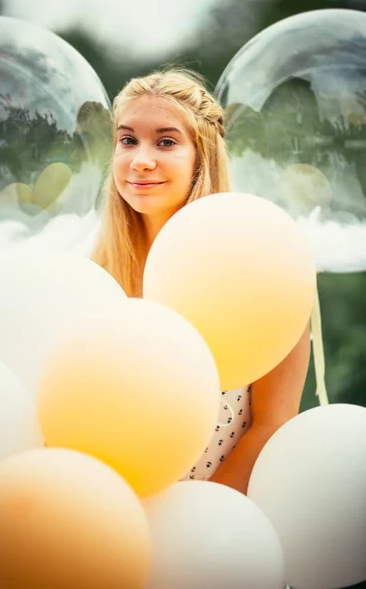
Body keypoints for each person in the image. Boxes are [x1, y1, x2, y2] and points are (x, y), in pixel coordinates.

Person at [90, 67, 311, 495]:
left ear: (201, 156)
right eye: (127, 139)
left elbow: (271, 427)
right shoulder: (91, 277)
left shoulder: (266, 272)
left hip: (221, 534)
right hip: (110, 531)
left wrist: (182, 530)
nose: (140, 159)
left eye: (166, 141)